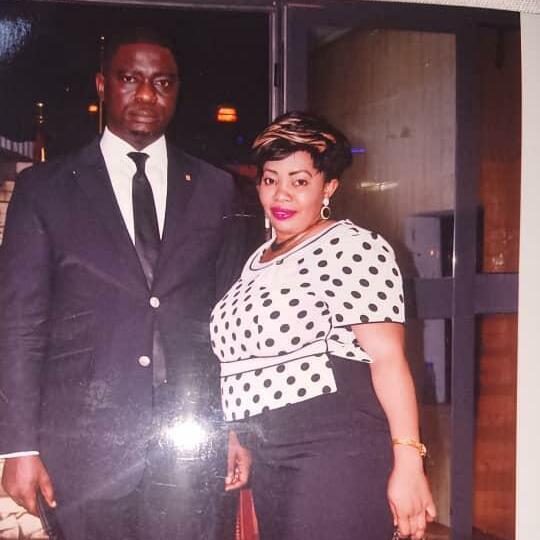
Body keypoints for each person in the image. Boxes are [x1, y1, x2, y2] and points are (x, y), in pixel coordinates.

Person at [0, 26, 250, 540]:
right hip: (84, 449)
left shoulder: (215, 188)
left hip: (186, 446)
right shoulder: (44, 189)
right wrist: (19, 446)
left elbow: (229, 322)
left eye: (162, 83)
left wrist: (235, 428)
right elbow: (19, 324)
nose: (146, 95)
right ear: (102, 85)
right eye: (130, 79)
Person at [210, 111, 436, 540]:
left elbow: (388, 359)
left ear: (328, 187)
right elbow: (246, 361)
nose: (281, 194)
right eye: (270, 179)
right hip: (271, 456)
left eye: (299, 181)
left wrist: (410, 462)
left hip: (333, 451)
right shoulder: (258, 259)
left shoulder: (353, 246)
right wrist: (239, 435)